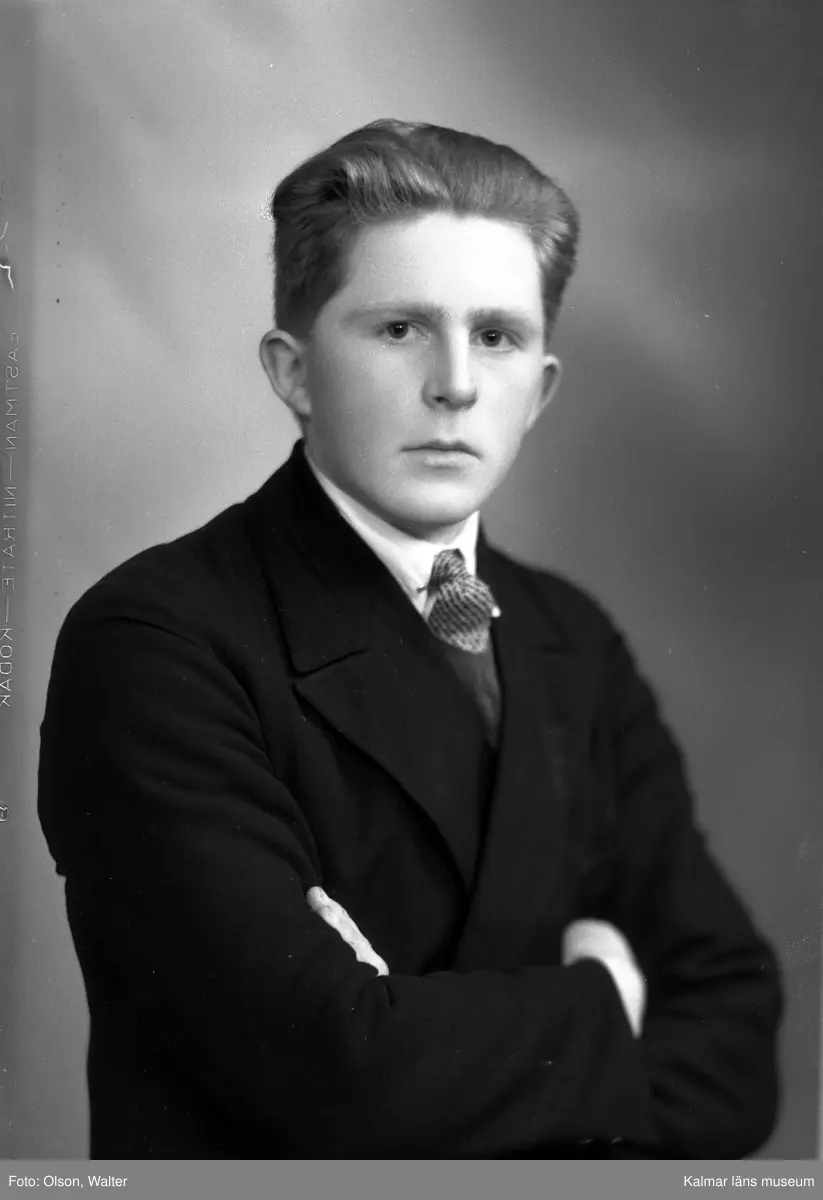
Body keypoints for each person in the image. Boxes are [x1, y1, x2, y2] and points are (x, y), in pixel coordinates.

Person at [38, 118, 782, 1159]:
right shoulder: (157, 641)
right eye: (399, 329)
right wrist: (607, 997)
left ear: (541, 389)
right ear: (294, 372)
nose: (456, 384)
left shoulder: (572, 638)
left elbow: (736, 1058)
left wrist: (411, 1036)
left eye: (497, 336)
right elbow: (337, 1077)